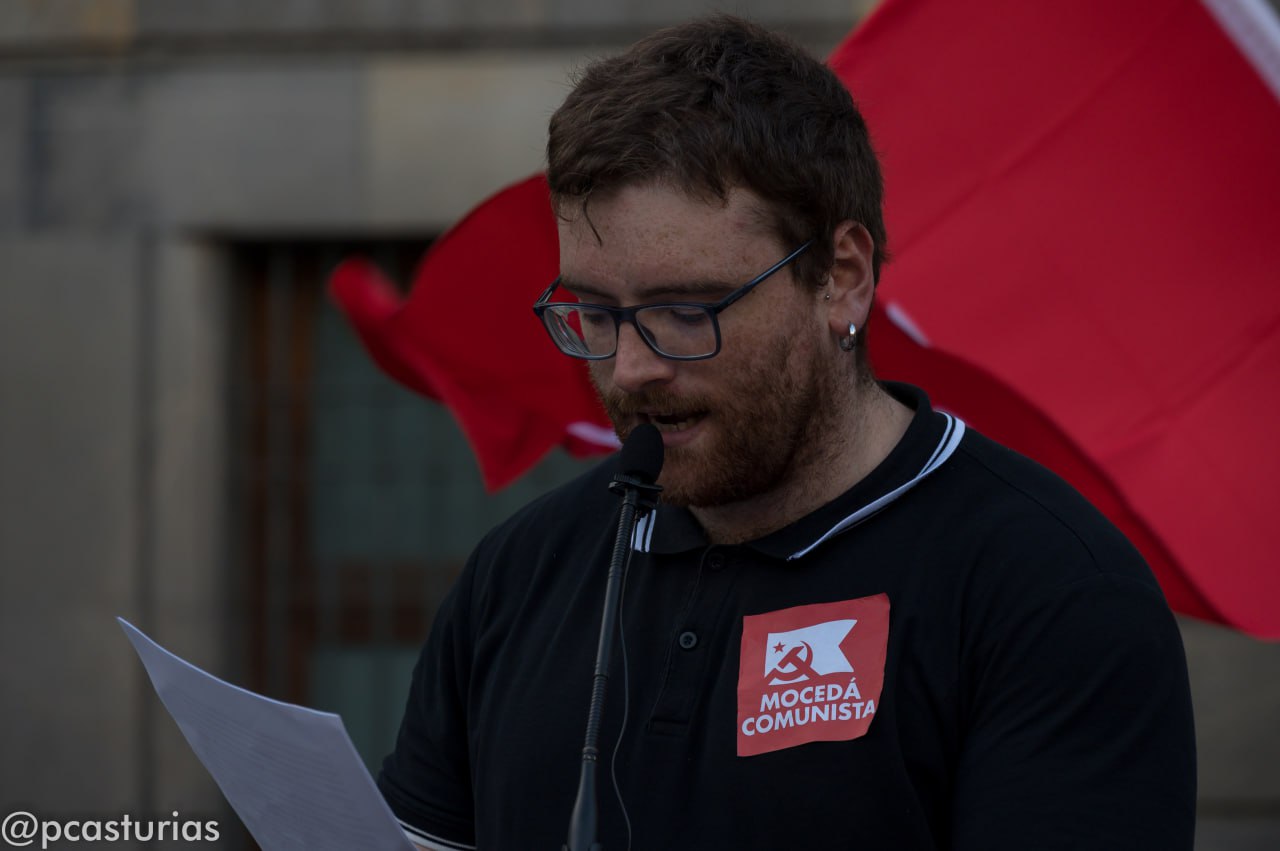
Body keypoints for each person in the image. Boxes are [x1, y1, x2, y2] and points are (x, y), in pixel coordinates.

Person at [378, 15, 1196, 850]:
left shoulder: (1049, 591)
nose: (629, 369)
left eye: (685, 310)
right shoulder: (519, 573)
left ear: (841, 278)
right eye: (594, 312)